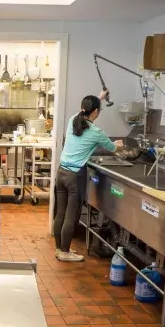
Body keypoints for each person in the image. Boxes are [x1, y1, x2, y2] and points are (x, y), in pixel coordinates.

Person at [54, 91, 123, 262]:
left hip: (61, 172)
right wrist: (120, 145)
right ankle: (64, 251)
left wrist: (99, 98)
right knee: (71, 216)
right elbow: (114, 149)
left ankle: (58, 248)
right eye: (98, 110)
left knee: (60, 213)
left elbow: (85, 111)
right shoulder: (96, 132)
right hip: (74, 176)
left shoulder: (73, 120)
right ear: (95, 113)